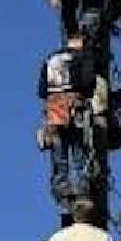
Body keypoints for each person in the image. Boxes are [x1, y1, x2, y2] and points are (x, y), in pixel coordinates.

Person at [37, 32, 99, 207]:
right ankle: (82, 193)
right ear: (79, 41)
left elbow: (42, 90)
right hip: (74, 108)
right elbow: (88, 83)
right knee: (79, 153)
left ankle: (62, 193)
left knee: (59, 155)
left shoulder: (51, 59)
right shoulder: (82, 57)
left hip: (54, 111)